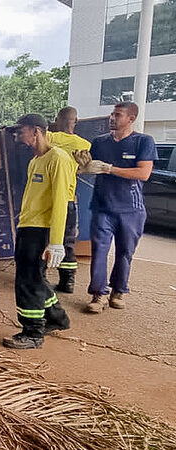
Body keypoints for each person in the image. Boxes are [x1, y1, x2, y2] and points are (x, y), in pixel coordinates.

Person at [3, 114, 75, 350]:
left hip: (41, 230)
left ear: (36, 131)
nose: (17, 135)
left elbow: (60, 201)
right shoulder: (35, 160)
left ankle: (33, 332)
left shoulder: (58, 158)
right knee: (34, 276)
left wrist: (56, 242)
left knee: (28, 281)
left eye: (20, 131)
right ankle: (56, 318)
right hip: (28, 227)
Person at [80, 102, 156, 313]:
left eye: (118, 114)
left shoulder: (143, 141)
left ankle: (119, 291)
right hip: (102, 206)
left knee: (125, 252)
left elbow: (143, 174)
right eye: (112, 114)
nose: (112, 118)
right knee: (99, 251)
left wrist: (110, 169)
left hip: (131, 209)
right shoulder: (99, 142)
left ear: (131, 118)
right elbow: (89, 169)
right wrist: (83, 165)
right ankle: (98, 294)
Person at [46, 106, 92, 293]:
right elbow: (84, 169)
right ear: (77, 121)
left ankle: (39, 278)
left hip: (45, 199)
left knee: (41, 237)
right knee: (68, 242)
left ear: (57, 120)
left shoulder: (49, 138)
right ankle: (68, 282)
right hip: (68, 198)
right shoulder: (84, 144)